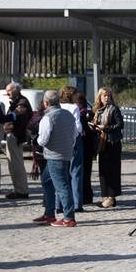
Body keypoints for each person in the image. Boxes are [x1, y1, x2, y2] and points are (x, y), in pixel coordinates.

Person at [35, 89, 78, 227]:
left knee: (62, 187)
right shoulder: (69, 115)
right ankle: (49, 213)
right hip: (66, 154)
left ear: (45, 102)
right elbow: (75, 135)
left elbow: (43, 140)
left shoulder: (48, 118)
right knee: (46, 180)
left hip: (54, 156)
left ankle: (68, 217)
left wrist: (36, 140)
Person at [0, 83, 32, 200]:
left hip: (15, 136)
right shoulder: (18, 101)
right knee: (13, 164)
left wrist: (9, 127)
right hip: (13, 135)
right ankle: (18, 189)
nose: (7, 92)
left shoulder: (21, 102)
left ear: (16, 90)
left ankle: (21, 190)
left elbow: (21, 119)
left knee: (16, 164)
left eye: (8, 90)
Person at [92, 87, 123, 208]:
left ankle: (111, 197)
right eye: (104, 96)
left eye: (109, 96)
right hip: (102, 143)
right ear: (99, 97)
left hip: (112, 143)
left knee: (112, 171)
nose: (107, 98)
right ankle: (106, 196)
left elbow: (120, 125)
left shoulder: (114, 109)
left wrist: (105, 128)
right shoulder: (98, 110)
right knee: (103, 171)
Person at [76, 91, 97, 208]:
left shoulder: (85, 114)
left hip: (86, 147)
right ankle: (85, 197)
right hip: (84, 147)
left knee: (85, 173)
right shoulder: (83, 114)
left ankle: (86, 197)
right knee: (83, 173)